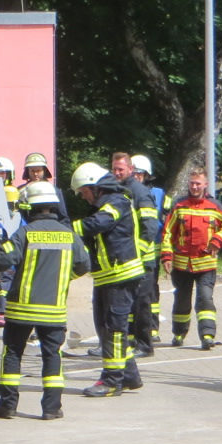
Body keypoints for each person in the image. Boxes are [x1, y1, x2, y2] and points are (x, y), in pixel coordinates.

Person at [0, 180, 91, 420]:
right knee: (52, 356)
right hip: (54, 309)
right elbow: (84, 265)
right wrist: (61, 280)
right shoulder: (69, 234)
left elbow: (3, 260)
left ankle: (7, 405)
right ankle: (51, 408)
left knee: (12, 354)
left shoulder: (25, 232)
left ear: (29, 208)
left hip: (22, 309)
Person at [71, 162, 146, 397]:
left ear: (95, 186)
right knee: (107, 329)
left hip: (120, 276)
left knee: (114, 330)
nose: (84, 198)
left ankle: (112, 381)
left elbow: (99, 224)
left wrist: (68, 229)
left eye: (84, 192)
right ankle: (130, 376)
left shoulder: (116, 202)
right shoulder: (105, 204)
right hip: (107, 276)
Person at [162, 168, 222, 350]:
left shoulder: (214, 206)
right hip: (181, 264)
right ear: (188, 184)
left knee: (205, 298)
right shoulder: (179, 205)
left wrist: (217, 240)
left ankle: (207, 335)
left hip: (206, 263)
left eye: (198, 183)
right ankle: (179, 333)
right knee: (181, 299)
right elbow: (167, 233)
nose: (195, 187)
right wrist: (166, 256)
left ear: (205, 184)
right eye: (192, 183)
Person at [110, 152, 163, 357]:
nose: (116, 173)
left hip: (142, 259)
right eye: (114, 169)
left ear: (130, 169)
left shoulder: (139, 192)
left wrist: (137, 251)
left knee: (142, 304)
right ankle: (126, 342)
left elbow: (150, 226)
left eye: (120, 169)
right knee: (124, 304)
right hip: (124, 259)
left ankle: (144, 345)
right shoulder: (116, 189)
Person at [130, 154, 172, 354]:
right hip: (132, 252)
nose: (137, 176)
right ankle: (132, 333)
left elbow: (167, 224)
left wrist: (166, 252)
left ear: (147, 175)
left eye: (140, 173)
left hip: (151, 252)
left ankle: (152, 328)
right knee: (132, 295)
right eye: (134, 172)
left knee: (149, 294)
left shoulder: (160, 194)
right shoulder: (125, 192)